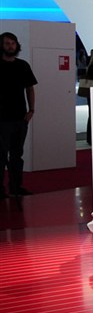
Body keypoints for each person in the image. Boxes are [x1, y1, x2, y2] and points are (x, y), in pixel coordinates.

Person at [0, 31, 37, 198]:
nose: (10, 46)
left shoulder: (23, 66)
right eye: (7, 43)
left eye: (13, 43)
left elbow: (30, 88)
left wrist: (31, 110)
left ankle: (16, 186)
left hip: (20, 118)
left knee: (17, 155)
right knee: (1, 156)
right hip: (2, 119)